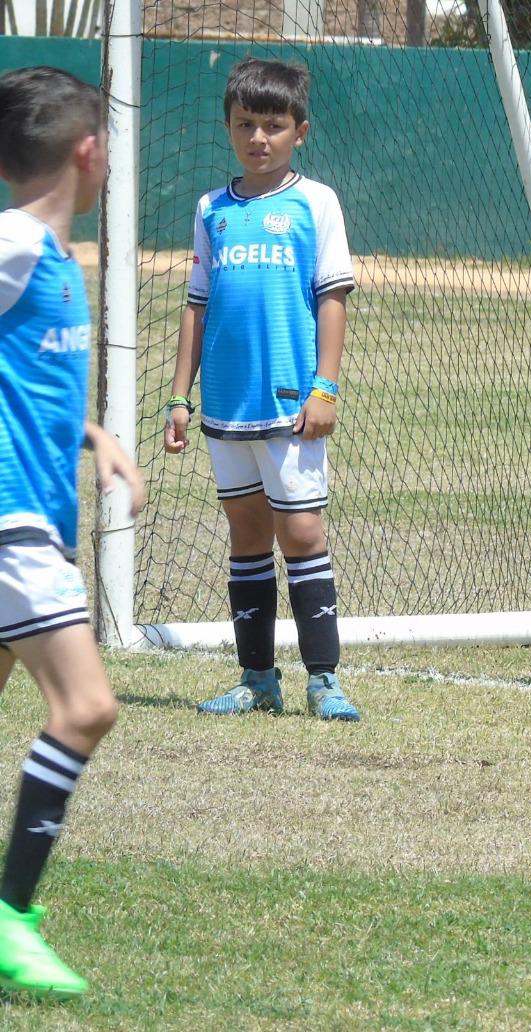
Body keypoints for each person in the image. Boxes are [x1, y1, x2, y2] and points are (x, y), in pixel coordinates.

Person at [0, 65, 147, 996]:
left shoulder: (48, 258)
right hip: (8, 523)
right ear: (89, 152)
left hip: (31, 521)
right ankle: (11, 918)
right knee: (86, 707)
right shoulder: (13, 242)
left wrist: (97, 436)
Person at [162, 58, 359, 721]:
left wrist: (324, 387)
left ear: (299, 130)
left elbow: (331, 299)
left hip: (289, 404)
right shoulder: (211, 210)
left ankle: (324, 680)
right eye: (245, 124)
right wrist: (180, 398)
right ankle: (257, 678)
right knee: (246, 536)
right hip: (224, 404)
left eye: (274, 126)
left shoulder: (315, 202)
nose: (259, 138)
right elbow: (197, 305)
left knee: (301, 532)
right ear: (228, 127)